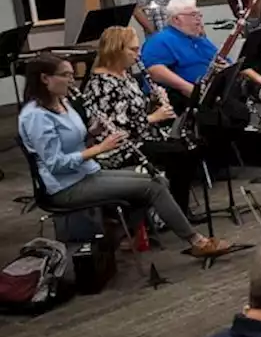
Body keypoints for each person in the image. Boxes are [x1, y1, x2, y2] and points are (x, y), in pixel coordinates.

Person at [19, 55, 232, 258]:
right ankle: (196, 242)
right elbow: (56, 164)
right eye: (65, 75)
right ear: (45, 79)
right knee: (153, 187)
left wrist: (93, 132)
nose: (71, 80)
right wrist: (101, 148)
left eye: (71, 74)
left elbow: (77, 141)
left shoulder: (63, 103)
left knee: (158, 179)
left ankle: (122, 233)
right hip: (64, 187)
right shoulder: (36, 117)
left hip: (86, 172)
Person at [82, 26, 202, 219]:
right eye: (133, 50)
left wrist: (154, 101)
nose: (138, 55)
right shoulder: (102, 84)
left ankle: (174, 209)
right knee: (180, 155)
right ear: (116, 50)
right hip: (119, 148)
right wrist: (154, 117)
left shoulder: (124, 74)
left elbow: (133, 110)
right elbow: (119, 126)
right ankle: (174, 214)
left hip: (140, 137)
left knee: (190, 146)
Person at [141, 0, 219, 106]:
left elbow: (220, 58)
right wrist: (190, 89)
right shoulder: (161, 40)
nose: (199, 18)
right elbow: (154, 70)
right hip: (184, 98)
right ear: (176, 19)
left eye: (199, 15)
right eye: (193, 15)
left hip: (211, 90)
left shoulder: (199, 38)